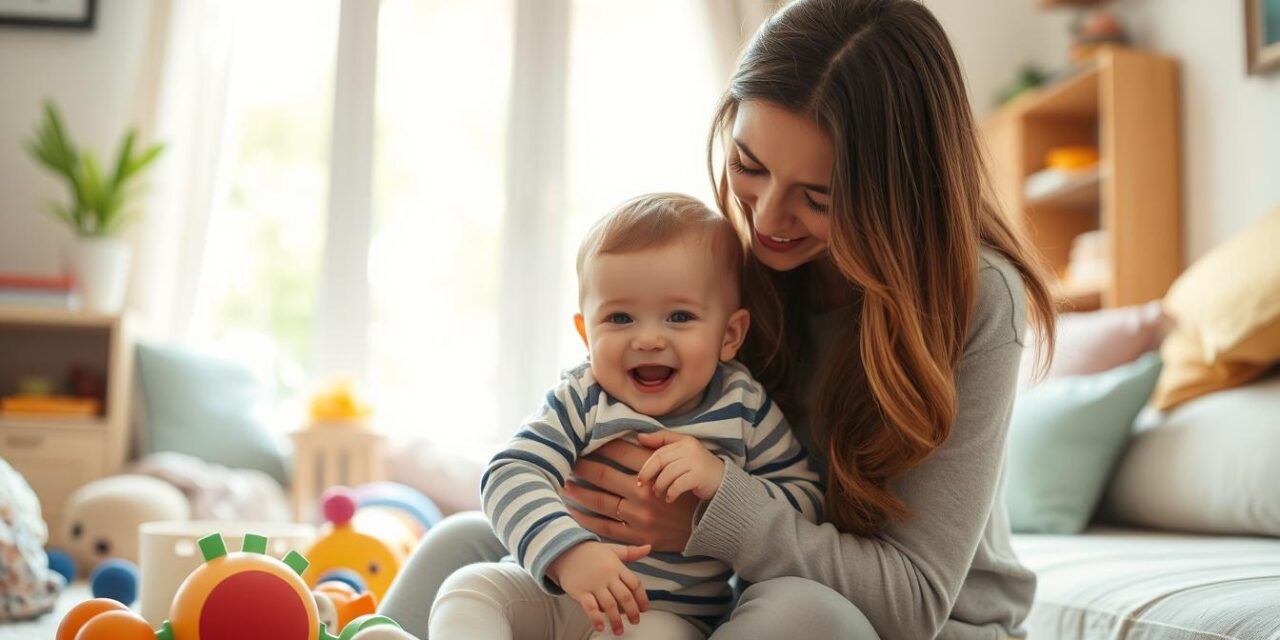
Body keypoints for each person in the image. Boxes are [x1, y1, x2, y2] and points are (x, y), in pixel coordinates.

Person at [382, 1, 1057, 638]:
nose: (765, 220)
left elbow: (915, 600)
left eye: (817, 198)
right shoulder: (741, 269)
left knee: (794, 612)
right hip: (730, 585)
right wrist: (587, 518)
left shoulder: (976, 297)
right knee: (462, 543)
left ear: (894, 195)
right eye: (748, 165)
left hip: (915, 624)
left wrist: (708, 516)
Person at [427, 194, 822, 639]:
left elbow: (805, 503)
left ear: (729, 335)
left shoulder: (743, 407)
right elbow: (509, 473)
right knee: (467, 589)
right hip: (557, 593)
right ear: (586, 333)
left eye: (679, 316)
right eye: (619, 317)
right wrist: (568, 554)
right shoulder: (582, 396)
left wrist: (720, 482)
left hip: (657, 617)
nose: (649, 338)